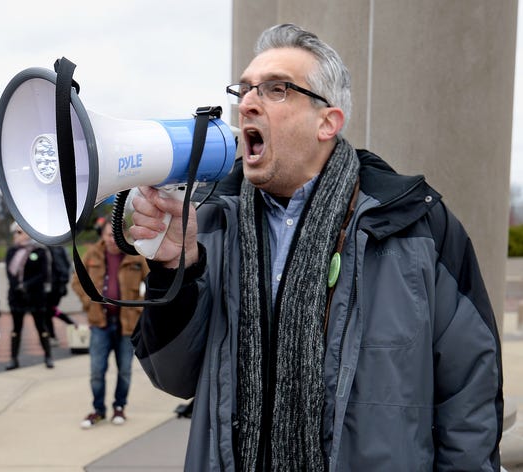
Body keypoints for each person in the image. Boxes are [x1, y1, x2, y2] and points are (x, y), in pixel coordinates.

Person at [129, 24, 503, 471]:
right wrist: (177, 269)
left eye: (276, 90)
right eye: (244, 90)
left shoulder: (417, 227)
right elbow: (173, 377)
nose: (247, 103)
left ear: (328, 122)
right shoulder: (209, 222)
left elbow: (470, 396)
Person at [71, 217, 149, 428]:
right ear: (102, 235)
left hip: (127, 324)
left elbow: (151, 283)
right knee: (97, 370)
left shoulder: (136, 256)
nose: (112, 240)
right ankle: (98, 410)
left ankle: (119, 407)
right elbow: (77, 281)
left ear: (123, 235)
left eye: (116, 235)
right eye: (108, 235)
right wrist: (89, 303)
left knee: (124, 370)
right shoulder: (92, 254)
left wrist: (140, 306)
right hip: (100, 323)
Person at [5, 222, 54, 370]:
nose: (16, 236)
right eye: (15, 233)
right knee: (16, 328)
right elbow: (9, 272)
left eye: (19, 232)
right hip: (16, 296)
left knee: (41, 326)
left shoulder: (40, 251)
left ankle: (48, 356)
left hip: (35, 295)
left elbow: (43, 274)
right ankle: (13, 358)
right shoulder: (12, 251)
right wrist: (16, 286)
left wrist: (26, 285)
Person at [44, 244, 77, 347]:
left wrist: (61, 284)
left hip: (54, 287)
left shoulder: (54, 248)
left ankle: (53, 336)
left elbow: (62, 268)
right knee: (49, 311)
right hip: (51, 286)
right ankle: (53, 335)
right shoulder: (51, 247)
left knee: (48, 311)